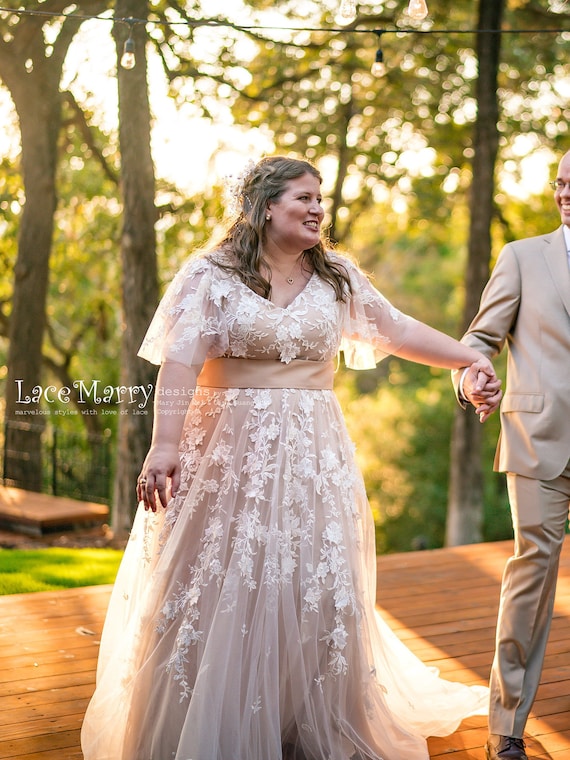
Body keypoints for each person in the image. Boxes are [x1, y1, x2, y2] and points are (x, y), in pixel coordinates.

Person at [81, 155, 500, 760]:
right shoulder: (210, 275)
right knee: (217, 581)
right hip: (224, 455)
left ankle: (307, 719)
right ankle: (201, 724)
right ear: (264, 205)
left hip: (312, 452)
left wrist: (466, 358)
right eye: (304, 198)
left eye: (320, 200)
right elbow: (179, 363)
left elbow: (399, 330)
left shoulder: (337, 277)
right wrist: (164, 445)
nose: (317, 210)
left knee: (312, 578)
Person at [453, 150, 570, 760]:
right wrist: (473, 377)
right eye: (560, 182)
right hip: (537, 438)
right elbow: (479, 339)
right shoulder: (523, 257)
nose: (566, 192)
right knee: (532, 571)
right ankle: (507, 729)